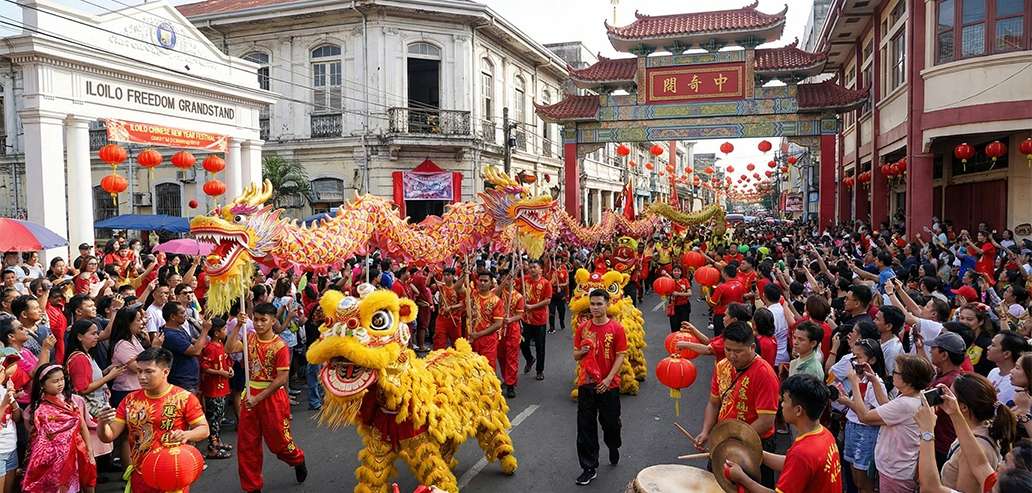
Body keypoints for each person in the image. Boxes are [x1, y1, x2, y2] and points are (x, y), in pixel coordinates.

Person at [96, 347, 209, 493]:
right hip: (140, 475)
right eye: (139, 371)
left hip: (171, 475)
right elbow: (109, 436)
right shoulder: (130, 400)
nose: (142, 377)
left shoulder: (184, 398)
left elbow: (204, 429)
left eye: (149, 371)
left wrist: (187, 434)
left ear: (166, 372)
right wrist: (103, 423)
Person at [225, 303, 307, 493]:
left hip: (272, 399)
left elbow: (281, 379)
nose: (259, 324)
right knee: (247, 444)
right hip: (250, 396)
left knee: (279, 443)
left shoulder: (280, 347)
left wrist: (258, 398)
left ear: (273, 321)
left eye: (263, 320)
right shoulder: (249, 338)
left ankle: (297, 459)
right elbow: (229, 348)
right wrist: (238, 326)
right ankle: (252, 486)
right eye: (256, 319)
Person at [726, 374, 843, 493]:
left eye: (785, 401)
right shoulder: (824, 434)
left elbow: (799, 461)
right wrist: (756, 453)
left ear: (798, 410)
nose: (781, 404)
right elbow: (793, 465)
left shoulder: (803, 453)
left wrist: (742, 478)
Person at [696, 321, 780, 488]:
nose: (732, 356)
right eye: (728, 350)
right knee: (718, 487)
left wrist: (734, 441)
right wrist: (706, 432)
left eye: (738, 351)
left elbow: (765, 422)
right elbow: (714, 403)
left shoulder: (764, 374)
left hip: (755, 442)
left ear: (752, 347)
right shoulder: (722, 366)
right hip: (725, 439)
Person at [850, 353, 935, 493]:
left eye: (895, 372)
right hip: (900, 468)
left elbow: (865, 417)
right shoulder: (915, 397)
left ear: (907, 380)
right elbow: (887, 406)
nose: (892, 374)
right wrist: (874, 381)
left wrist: (854, 384)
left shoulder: (905, 404)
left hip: (896, 472)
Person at [573, 288, 626, 486]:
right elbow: (576, 355)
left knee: (610, 424)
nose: (595, 308)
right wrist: (583, 351)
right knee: (585, 427)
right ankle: (588, 467)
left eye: (599, 304)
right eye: (592, 304)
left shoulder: (616, 329)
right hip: (587, 384)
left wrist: (608, 379)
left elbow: (620, 355)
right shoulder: (583, 329)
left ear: (607, 305)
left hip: (609, 386)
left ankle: (613, 446)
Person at [22, 364, 97, 493]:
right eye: (55, 381)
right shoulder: (39, 409)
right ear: (42, 385)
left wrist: (89, 451)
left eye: (62, 379)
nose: (60, 384)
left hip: (75, 452)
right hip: (52, 459)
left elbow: (82, 426)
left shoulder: (70, 402)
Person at [940, 373, 1017, 493]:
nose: (945, 397)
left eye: (951, 395)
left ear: (963, 407)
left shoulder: (972, 449)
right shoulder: (988, 427)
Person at [835, 338, 888, 493]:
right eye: (853, 356)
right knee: (857, 481)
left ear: (872, 360)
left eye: (858, 357)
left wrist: (848, 402)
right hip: (852, 428)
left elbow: (876, 414)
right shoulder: (860, 377)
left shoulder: (875, 383)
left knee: (864, 484)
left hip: (865, 432)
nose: (854, 361)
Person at [201, 318, 233, 460]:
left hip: (222, 387)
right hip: (213, 389)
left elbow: (225, 361)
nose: (226, 331)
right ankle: (212, 448)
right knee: (213, 418)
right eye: (224, 329)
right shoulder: (209, 348)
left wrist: (229, 368)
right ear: (216, 333)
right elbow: (204, 367)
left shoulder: (220, 344)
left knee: (219, 416)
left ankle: (217, 441)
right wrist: (220, 372)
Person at [159, 301, 209, 394]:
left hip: (190, 379)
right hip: (182, 381)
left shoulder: (179, 328)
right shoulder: (171, 336)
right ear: (173, 317)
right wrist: (205, 330)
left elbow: (193, 341)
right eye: (182, 313)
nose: (185, 315)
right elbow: (195, 351)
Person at [519, 259, 552, 381]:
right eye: (530, 267)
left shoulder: (545, 283)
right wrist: (518, 270)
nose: (532, 269)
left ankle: (539, 370)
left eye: (534, 267)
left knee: (540, 346)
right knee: (523, 343)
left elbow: (547, 300)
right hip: (526, 319)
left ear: (540, 269)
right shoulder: (525, 280)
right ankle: (529, 359)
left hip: (539, 320)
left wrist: (531, 307)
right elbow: (511, 283)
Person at [496, 269, 524, 398]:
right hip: (499, 327)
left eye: (508, 279)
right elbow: (494, 293)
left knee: (512, 357)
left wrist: (510, 320)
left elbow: (519, 315)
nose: (506, 281)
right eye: (503, 278)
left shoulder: (518, 296)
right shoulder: (499, 293)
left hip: (512, 328)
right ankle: (506, 378)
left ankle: (511, 383)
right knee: (501, 356)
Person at [468, 271, 503, 371]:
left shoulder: (496, 300)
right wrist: (464, 274)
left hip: (488, 339)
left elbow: (498, 324)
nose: (482, 283)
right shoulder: (472, 295)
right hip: (472, 336)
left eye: (485, 281)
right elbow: (458, 288)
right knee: (472, 368)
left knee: (488, 367)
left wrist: (479, 334)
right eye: (480, 280)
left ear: (491, 283)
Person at [987, 331, 1029, 407]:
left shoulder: (1017, 383)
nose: (988, 347)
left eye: (993, 345)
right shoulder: (993, 372)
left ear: (1007, 354)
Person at [433, 267, 466, 350]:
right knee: (439, 342)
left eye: (448, 275)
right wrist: (431, 275)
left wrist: (451, 308)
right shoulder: (441, 287)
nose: (446, 277)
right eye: (444, 275)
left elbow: (462, 304)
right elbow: (431, 286)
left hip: (454, 318)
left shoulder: (458, 289)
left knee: (457, 344)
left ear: (454, 276)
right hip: (441, 318)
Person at [708, 264, 744, 336]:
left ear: (725, 274)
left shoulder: (721, 288)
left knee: (720, 337)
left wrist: (707, 293)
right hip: (736, 314)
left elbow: (711, 303)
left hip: (722, 315)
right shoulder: (739, 284)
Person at [667, 265, 692, 333]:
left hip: (684, 307)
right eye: (675, 271)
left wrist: (678, 294)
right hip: (674, 307)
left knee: (684, 326)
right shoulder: (670, 282)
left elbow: (689, 293)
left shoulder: (685, 281)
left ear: (681, 272)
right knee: (674, 326)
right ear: (672, 272)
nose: (676, 273)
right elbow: (667, 293)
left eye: (678, 271)